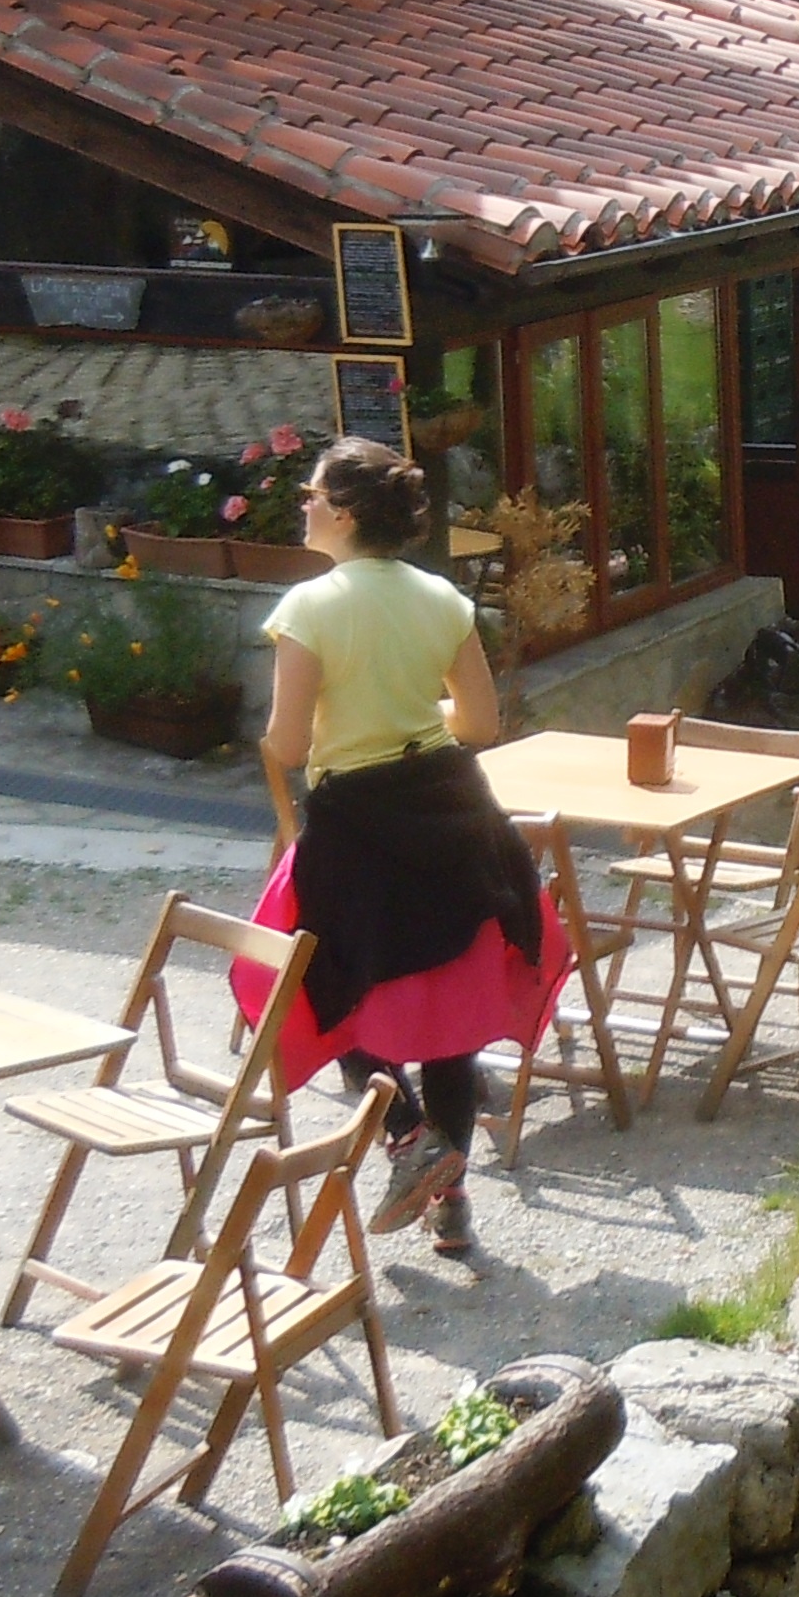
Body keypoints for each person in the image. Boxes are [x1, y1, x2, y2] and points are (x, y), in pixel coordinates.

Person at [243, 439, 558, 1260]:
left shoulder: (310, 608)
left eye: (312, 495)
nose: (303, 506)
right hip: (451, 807)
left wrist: (332, 726)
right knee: (450, 1010)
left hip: (358, 820)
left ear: (345, 514)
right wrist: (415, 721)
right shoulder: (442, 598)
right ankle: (451, 1204)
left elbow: (285, 743)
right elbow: (480, 723)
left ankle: (408, 1136)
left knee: (332, 992)